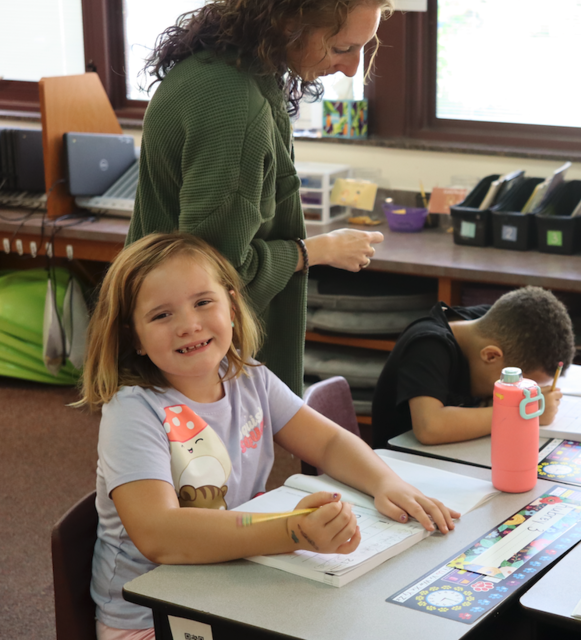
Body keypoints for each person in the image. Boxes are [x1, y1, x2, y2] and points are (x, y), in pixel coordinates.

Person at [78, 233, 459, 639]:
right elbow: (160, 534)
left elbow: (328, 442)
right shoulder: (133, 410)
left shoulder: (250, 377)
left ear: (231, 306)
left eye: (203, 302)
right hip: (150, 618)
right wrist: (292, 531)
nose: (189, 325)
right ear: (133, 335)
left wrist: (386, 482)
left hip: (234, 583)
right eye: (161, 316)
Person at [127, 0, 392, 395]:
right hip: (195, 360)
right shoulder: (235, 105)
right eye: (342, 47)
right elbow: (216, 277)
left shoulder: (221, 67)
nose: (351, 67)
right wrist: (315, 251)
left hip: (174, 342)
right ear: (289, 23)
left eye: (363, 47)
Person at [371, 286, 575, 447]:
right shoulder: (428, 345)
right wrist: (525, 410)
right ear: (491, 356)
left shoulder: (492, 328)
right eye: (519, 386)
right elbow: (430, 427)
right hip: (403, 470)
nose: (524, 394)